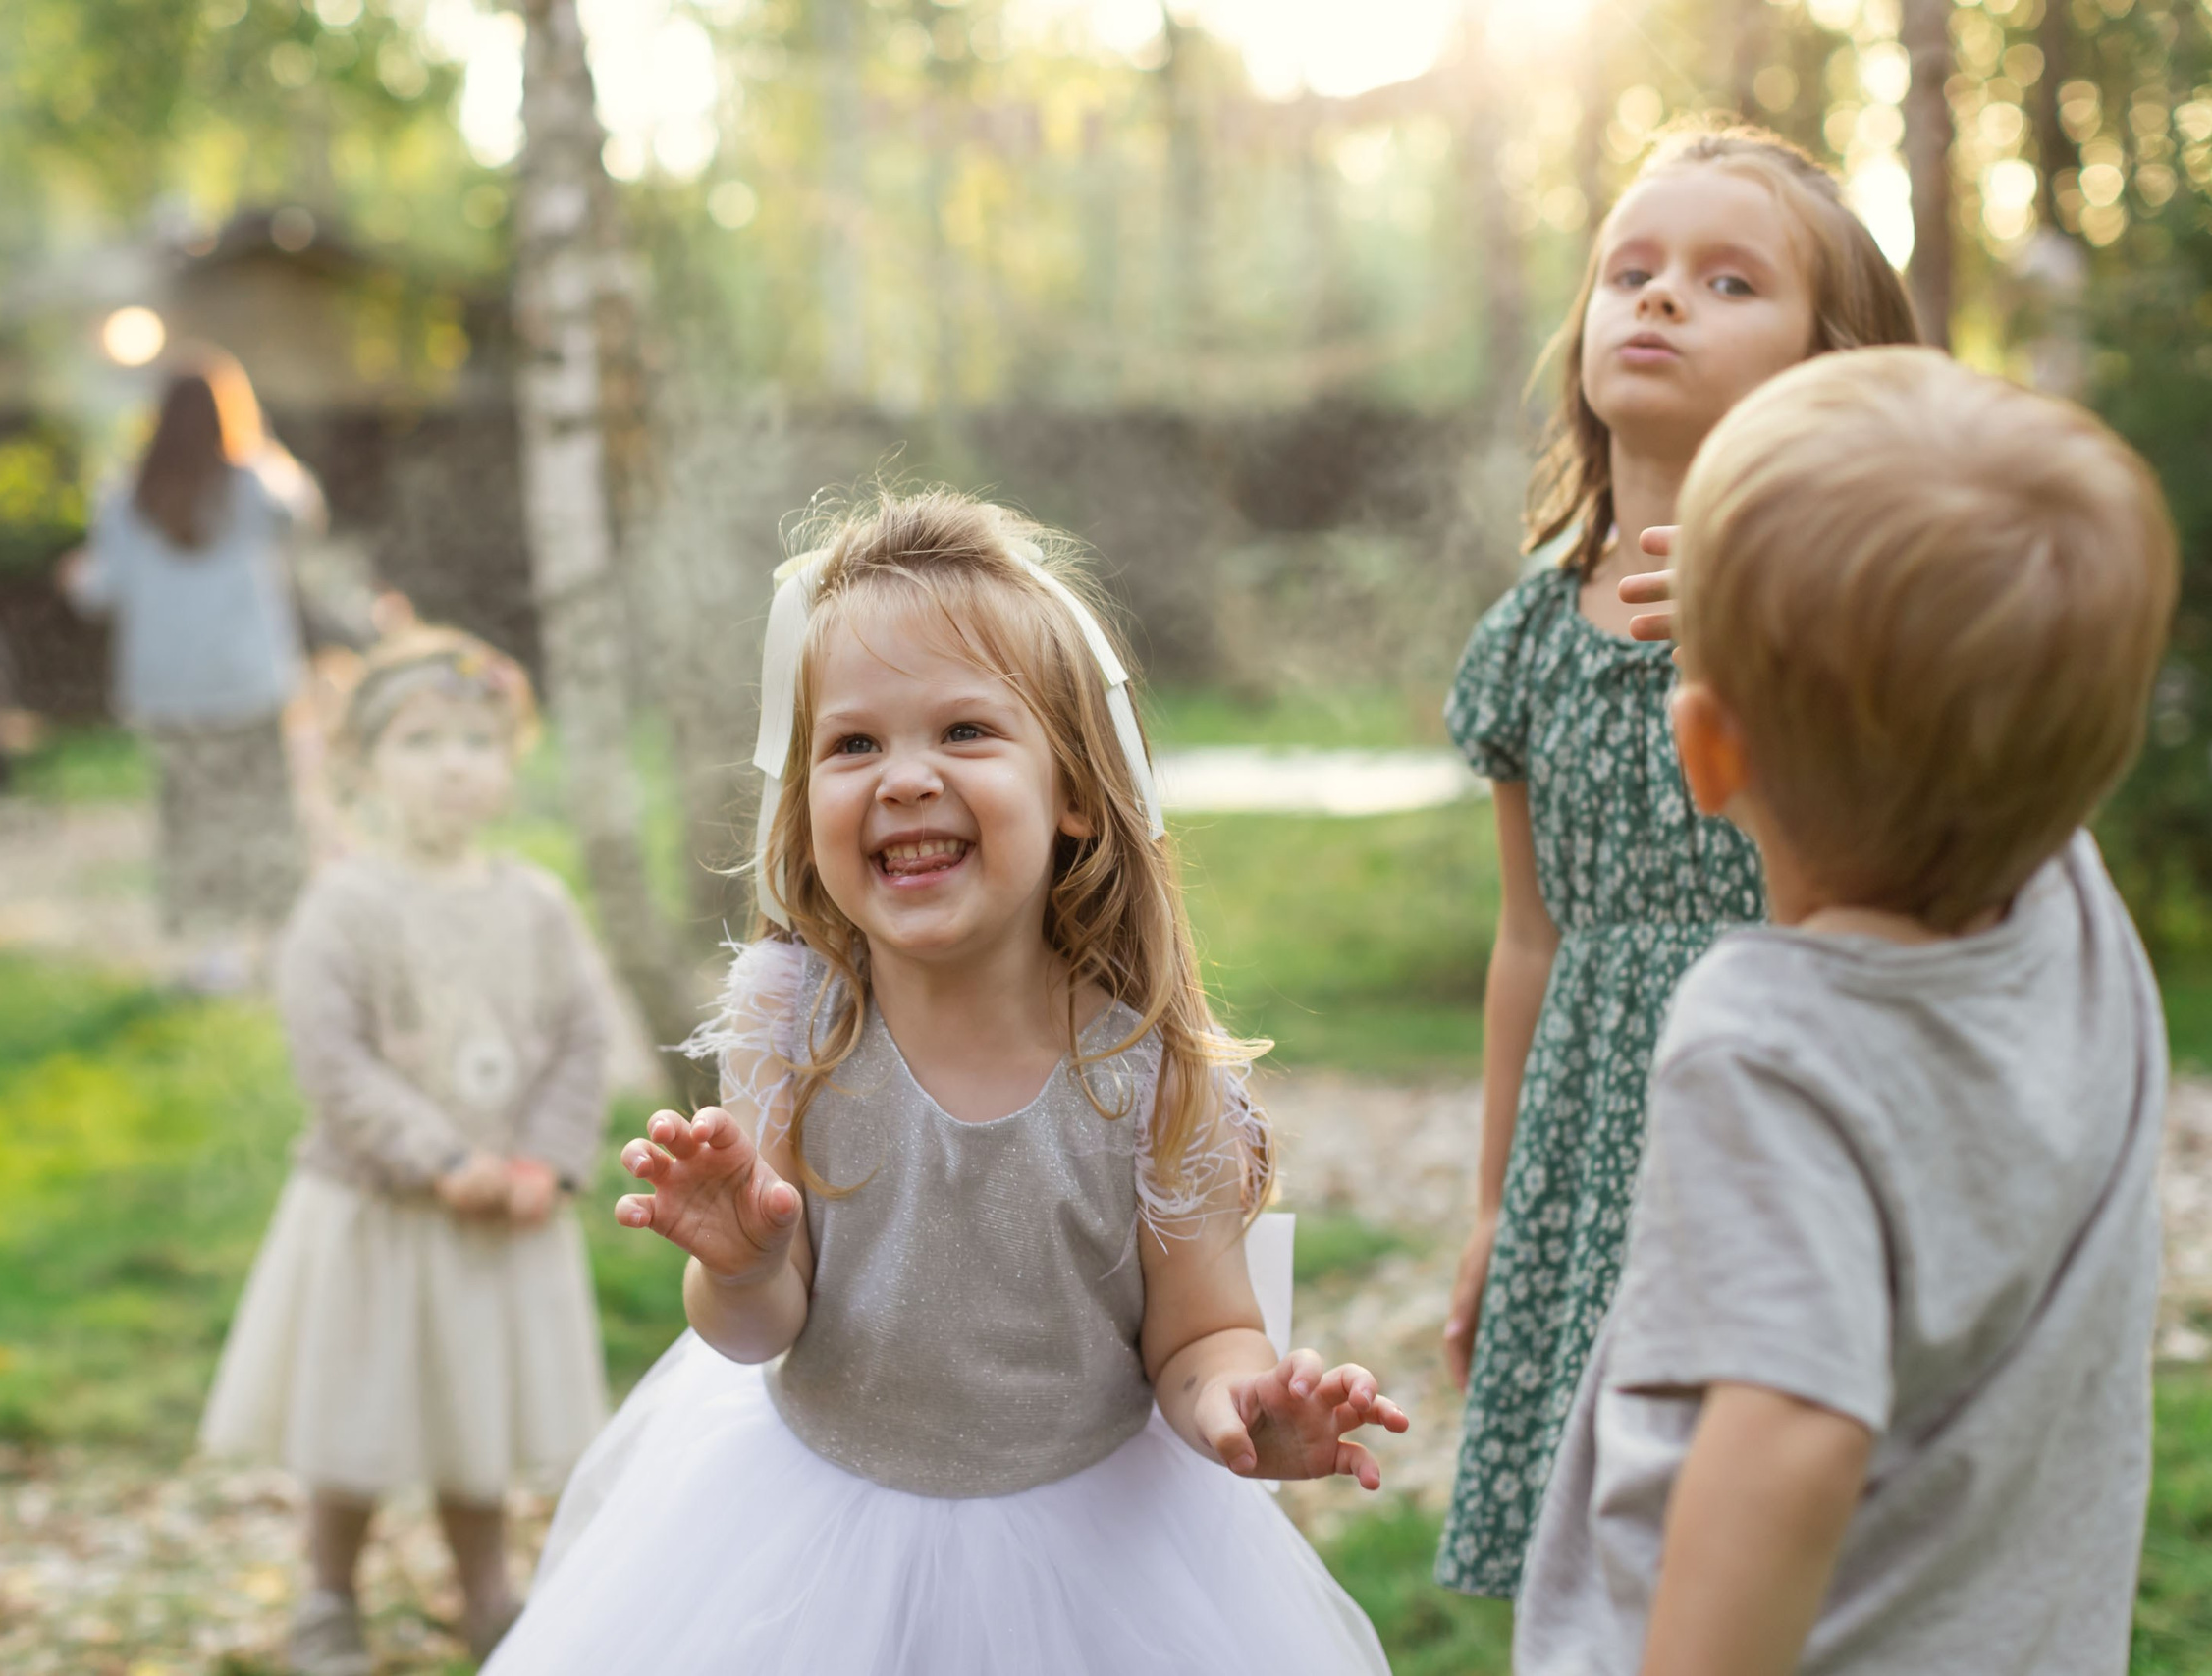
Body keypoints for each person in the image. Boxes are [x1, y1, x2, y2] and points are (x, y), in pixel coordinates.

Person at [486, 491, 1408, 1675]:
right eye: (852, 745)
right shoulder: (790, 1028)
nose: (905, 778)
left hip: (1094, 1563)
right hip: (810, 1545)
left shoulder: (1149, 1080)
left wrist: (1240, 1404)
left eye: (965, 731)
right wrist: (743, 1264)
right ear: (801, 801)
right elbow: (757, 1333)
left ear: (1075, 794)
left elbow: (1202, 1335)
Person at [1514, 347, 2175, 1673]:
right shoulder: (2069, 906)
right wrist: (1788, 631)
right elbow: (1976, 692)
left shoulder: (1769, 1046)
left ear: (1706, 750)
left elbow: (1790, 1440)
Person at [1431, 122, 1921, 1597]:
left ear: (1826, 364)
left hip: (1784, 1103)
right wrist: (1496, 1203)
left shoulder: (1860, 611)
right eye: (1628, 270)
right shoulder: (1528, 633)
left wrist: (1769, 631)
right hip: (1595, 1137)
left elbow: (1894, 874)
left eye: (1727, 281)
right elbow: (1530, 938)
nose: (1656, 297)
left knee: (1779, 1518)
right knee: (1610, 1546)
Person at [198, 629, 616, 1675]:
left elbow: (583, 1036)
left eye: (476, 741)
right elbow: (332, 1059)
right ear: (363, 766)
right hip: (383, 1213)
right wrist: (437, 1158)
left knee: (474, 1415)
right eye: (421, 742)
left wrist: (545, 1159)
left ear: (509, 763)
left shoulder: (536, 905)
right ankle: (329, 1594)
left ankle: (489, 1595)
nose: (452, 764)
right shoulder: (346, 905)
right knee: (360, 1411)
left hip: (502, 1211)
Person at [64, 350, 320, 989]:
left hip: (168, 686)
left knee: (192, 816)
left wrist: (74, 577)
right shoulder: (254, 483)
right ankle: (278, 941)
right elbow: (306, 515)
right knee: (264, 811)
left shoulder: (125, 494)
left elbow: (102, 590)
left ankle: (215, 951)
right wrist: (265, 449)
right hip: (248, 678)